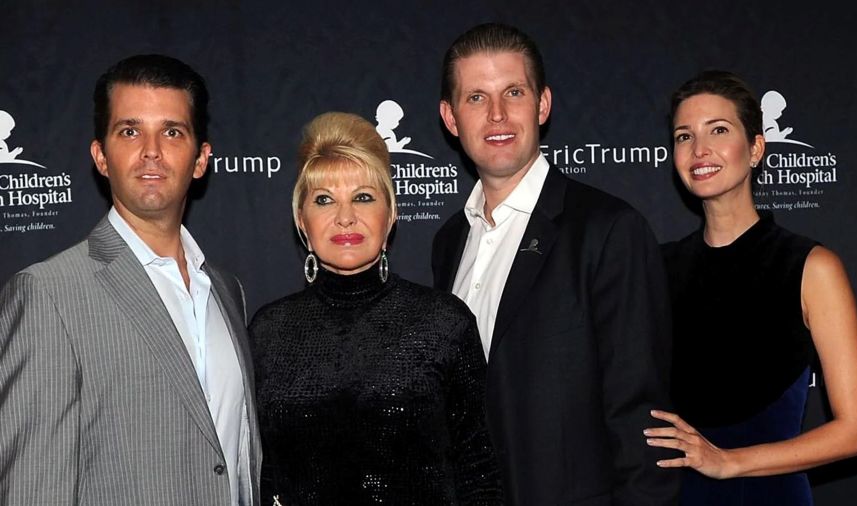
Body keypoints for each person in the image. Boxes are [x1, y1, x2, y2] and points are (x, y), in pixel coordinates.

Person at [432, 23, 678, 505]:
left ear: (542, 105)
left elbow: (642, 424)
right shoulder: (449, 242)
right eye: (476, 98)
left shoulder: (609, 231)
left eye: (514, 92)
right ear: (450, 117)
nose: (497, 114)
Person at [0, 54, 261, 505]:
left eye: (172, 132)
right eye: (130, 131)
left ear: (201, 159)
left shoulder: (225, 290)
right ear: (101, 157)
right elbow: (32, 490)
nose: (151, 150)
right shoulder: (48, 294)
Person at [645, 70, 857, 505]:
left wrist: (728, 461)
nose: (699, 149)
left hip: (768, 493)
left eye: (718, 129)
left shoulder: (810, 267)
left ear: (755, 148)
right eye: (684, 136)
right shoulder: (655, 267)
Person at [249, 112, 502, 505]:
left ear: (391, 214)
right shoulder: (268, 331)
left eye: (363, 197)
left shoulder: (444, 323)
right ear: (302, 221)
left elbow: (480, 472)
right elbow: (263, 476)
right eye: (324, 200)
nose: (345, 217)